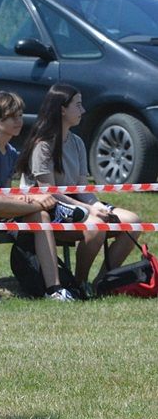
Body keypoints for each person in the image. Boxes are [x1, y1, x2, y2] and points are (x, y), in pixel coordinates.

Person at [0, 91, 88, 302]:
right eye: (12, 117)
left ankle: (54, 288)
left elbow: (7, 192)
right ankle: (49, 207)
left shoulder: (11, 152)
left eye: (21, 116)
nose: (19, 121)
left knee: (41, 218)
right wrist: (29, 202)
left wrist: (23, 202)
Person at [16, 84, 140, 295]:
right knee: (95, 227)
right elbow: (49, 191)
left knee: (133, 222)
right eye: (78, 105)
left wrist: (97, 205)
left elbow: (81, 188)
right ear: (62, 109)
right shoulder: (43, 145)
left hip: (75, 203)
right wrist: (90, 210)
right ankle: (79, 283)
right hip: (48, 207)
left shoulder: (78, 143)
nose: (83, 110)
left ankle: (102, 283)